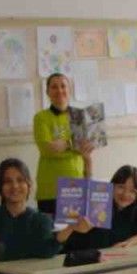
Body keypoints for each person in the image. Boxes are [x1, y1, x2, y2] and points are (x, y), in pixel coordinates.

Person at [63, 165, 137, 251]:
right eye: (121, 187)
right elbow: (62, 240)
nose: (125, 194)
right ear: (111, 186)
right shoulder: (97, 203)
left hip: (115, 263)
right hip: (80, 262)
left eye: (132, 191)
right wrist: (74, 226)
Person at [33, 73, 92, 215]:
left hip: (76, 186)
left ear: (69, 90)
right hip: (50, 189)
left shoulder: (79, 116)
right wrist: (73, 145)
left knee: (77, 228)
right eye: (54, 87)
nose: (59, 90)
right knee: (50, 228)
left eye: (63, 86)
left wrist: (64, 145)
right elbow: (47, 149)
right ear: (47, 92)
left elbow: (85, 151)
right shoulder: (41, 117)